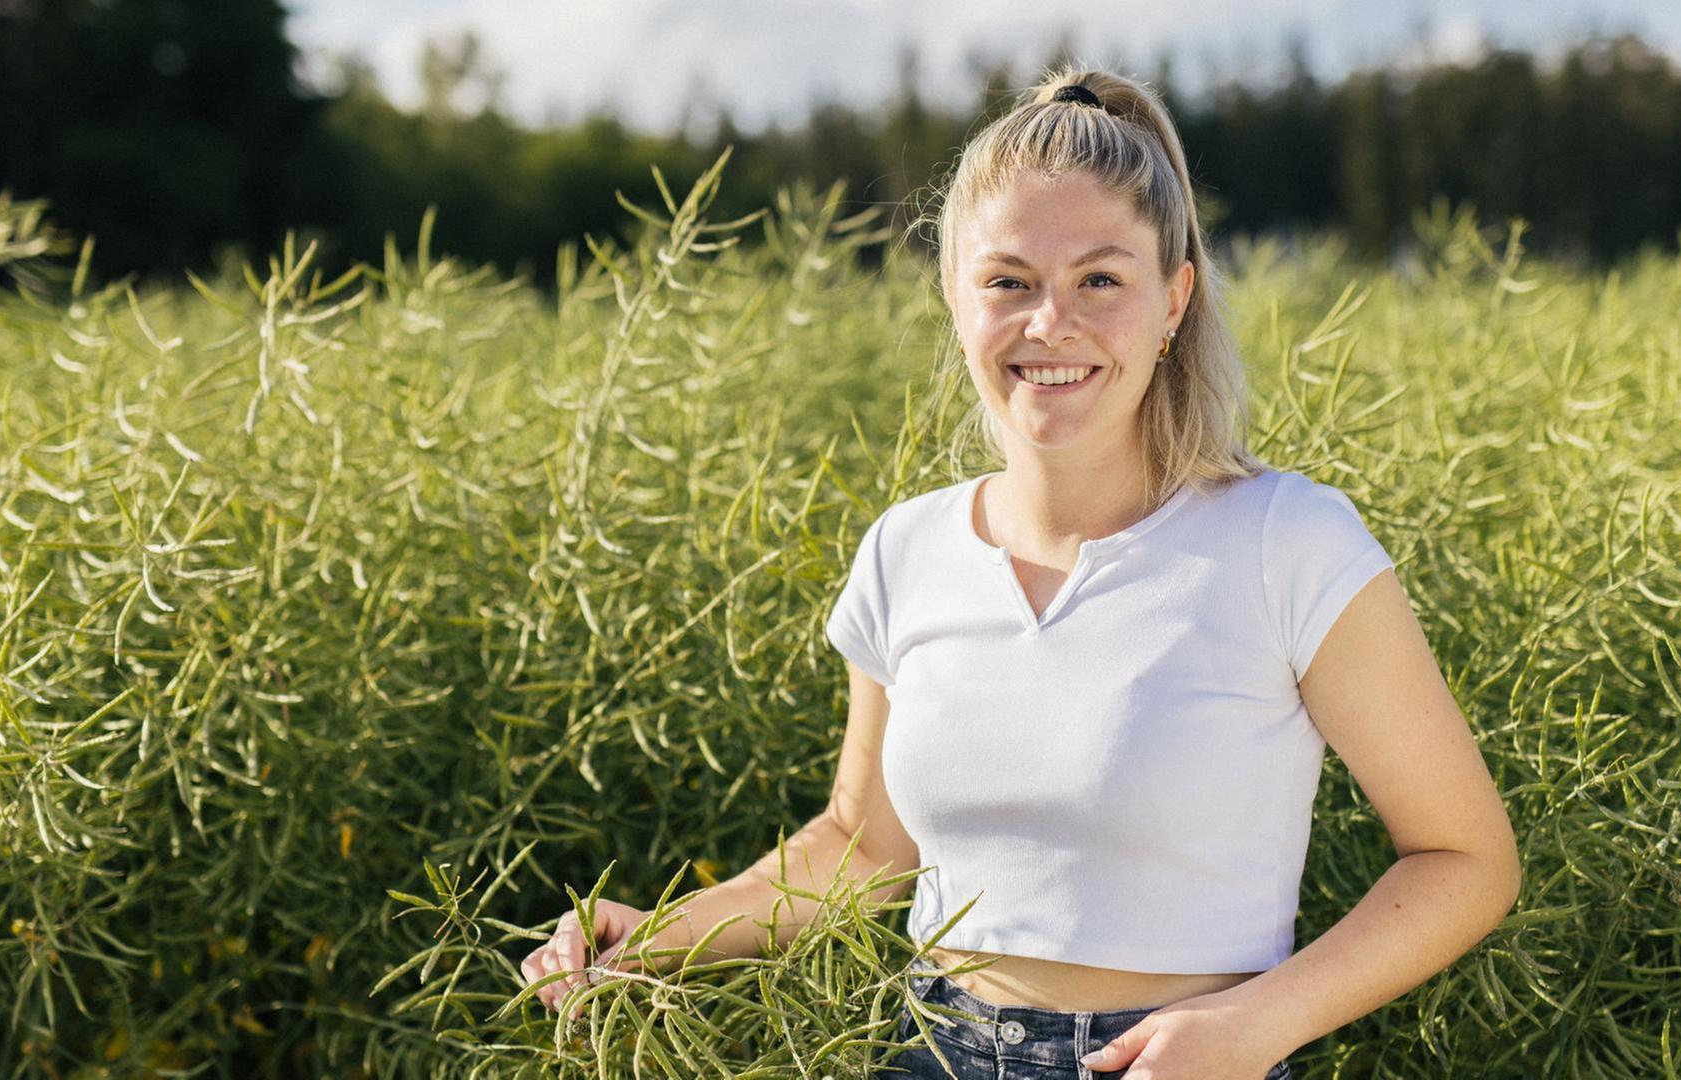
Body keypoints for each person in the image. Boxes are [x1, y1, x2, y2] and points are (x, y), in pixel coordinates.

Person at [519, 62, 1522, 1080]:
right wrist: (653, 933)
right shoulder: (905, 551)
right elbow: (861, 851)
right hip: (932, 1054)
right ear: (955, 297)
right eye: (1008, 281)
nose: (1051, 323)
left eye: (1100, 279)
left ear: (1173, 299)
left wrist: (1256, 1027)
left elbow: (1466, 860)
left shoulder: (1284, 541)